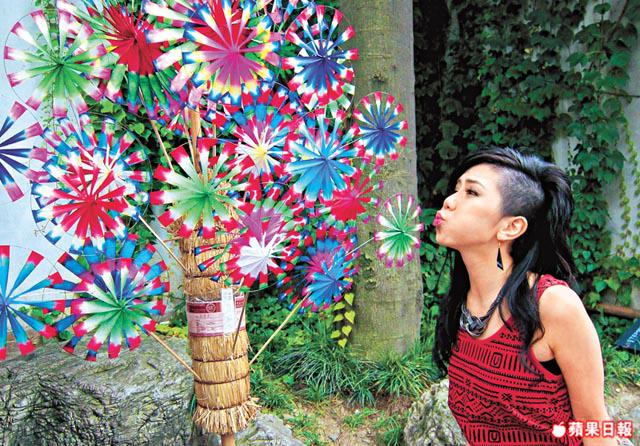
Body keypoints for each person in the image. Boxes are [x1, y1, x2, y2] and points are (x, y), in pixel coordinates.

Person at [432, 147, 619, 446]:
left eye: (471, 192)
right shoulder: (462, 302)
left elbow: (595, 427)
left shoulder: (553, 305)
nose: (450, 201)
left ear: (511, 227)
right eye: (456, 189)